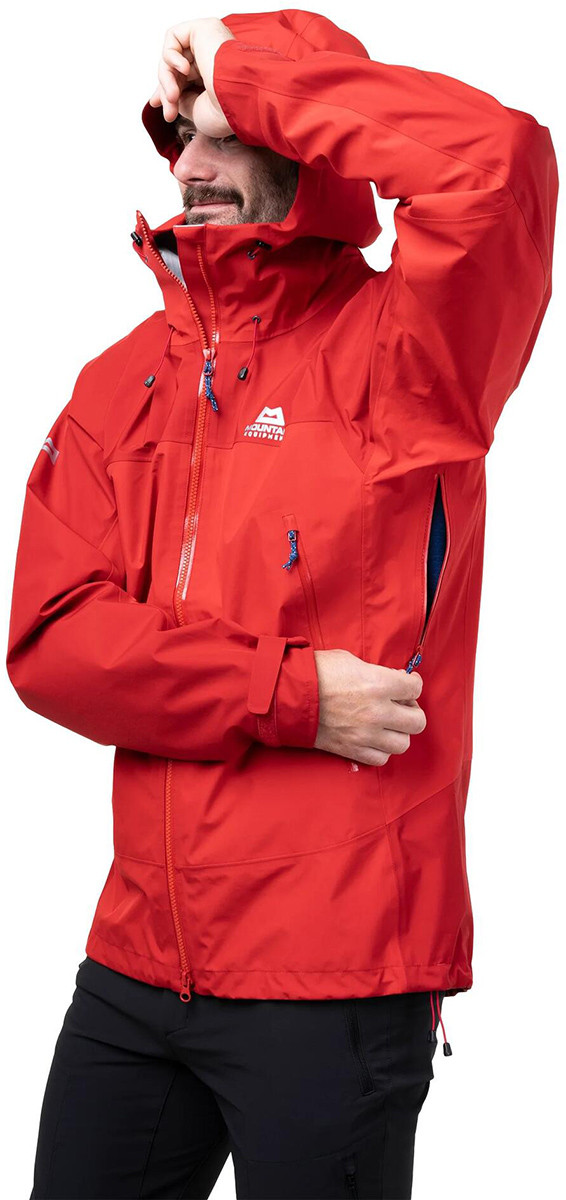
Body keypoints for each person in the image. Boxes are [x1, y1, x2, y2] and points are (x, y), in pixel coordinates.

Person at [6, 9, 557, 1200]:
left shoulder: (411, 353)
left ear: (307, 150)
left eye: (226, 136)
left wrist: (245, 73)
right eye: (179, 139)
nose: (190, 168)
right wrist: (290, 694)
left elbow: (493, 161)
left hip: (332, 975)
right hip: (136, 966)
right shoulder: (120, 380)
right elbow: (52, 643)